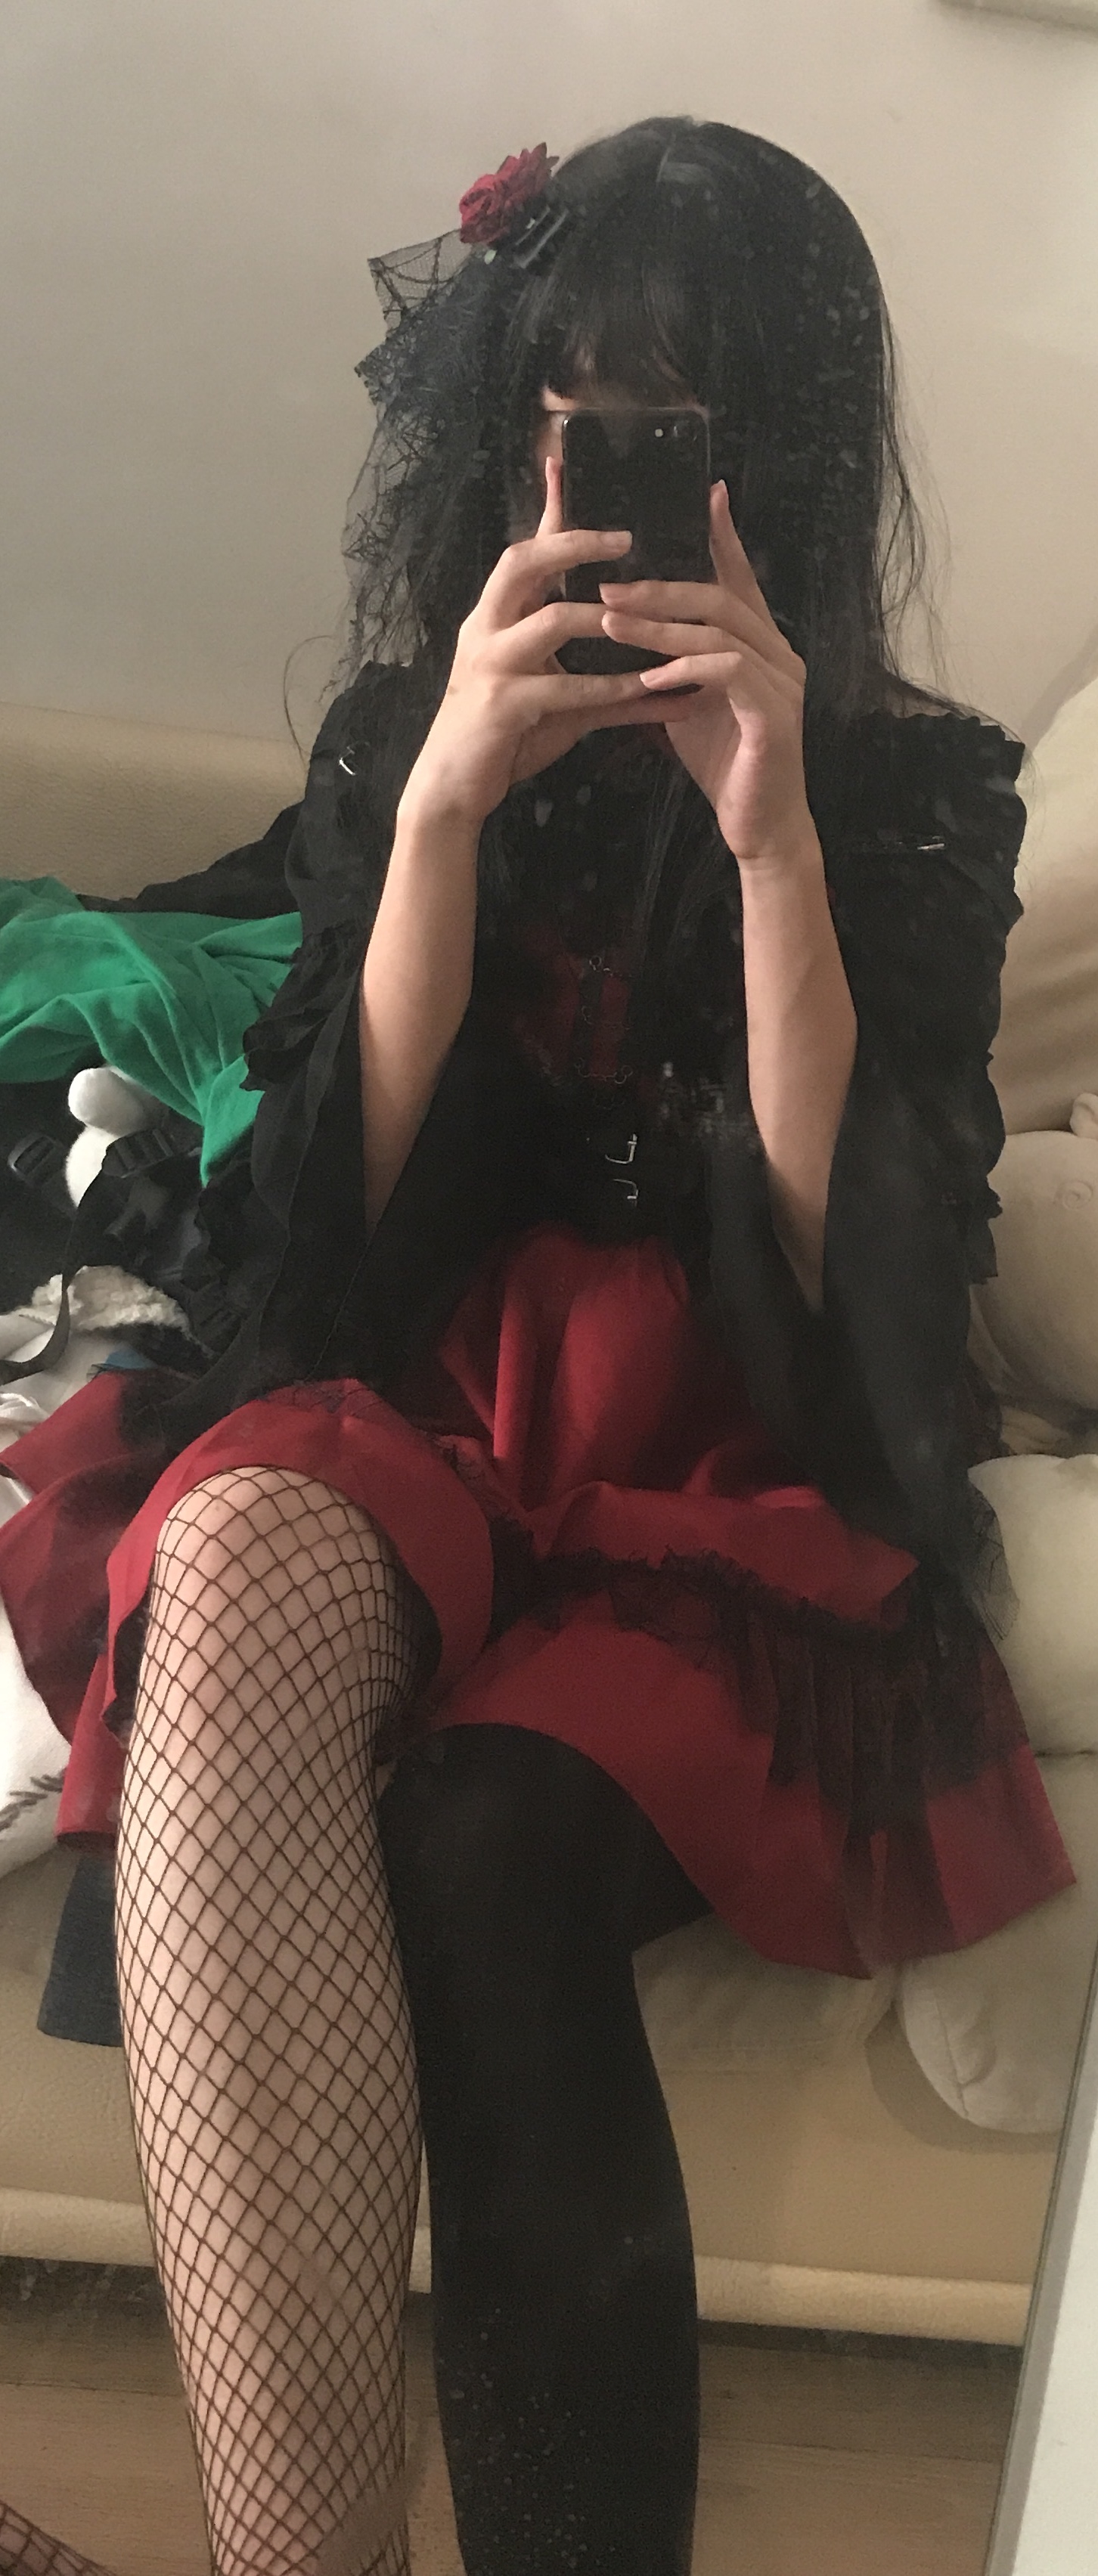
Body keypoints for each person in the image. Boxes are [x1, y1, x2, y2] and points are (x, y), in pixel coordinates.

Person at [0, 116, 1075, 2576]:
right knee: (233, 1551)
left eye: (675, 435)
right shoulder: (410, 728)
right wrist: (442, 821)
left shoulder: (912, 787)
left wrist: (772, 836)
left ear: (779, 466)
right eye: (570, 425)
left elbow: (861, 1269)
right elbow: (317, 1240)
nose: (610, 486)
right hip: (427, 1402)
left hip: (732, 1450)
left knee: (488, 1830)